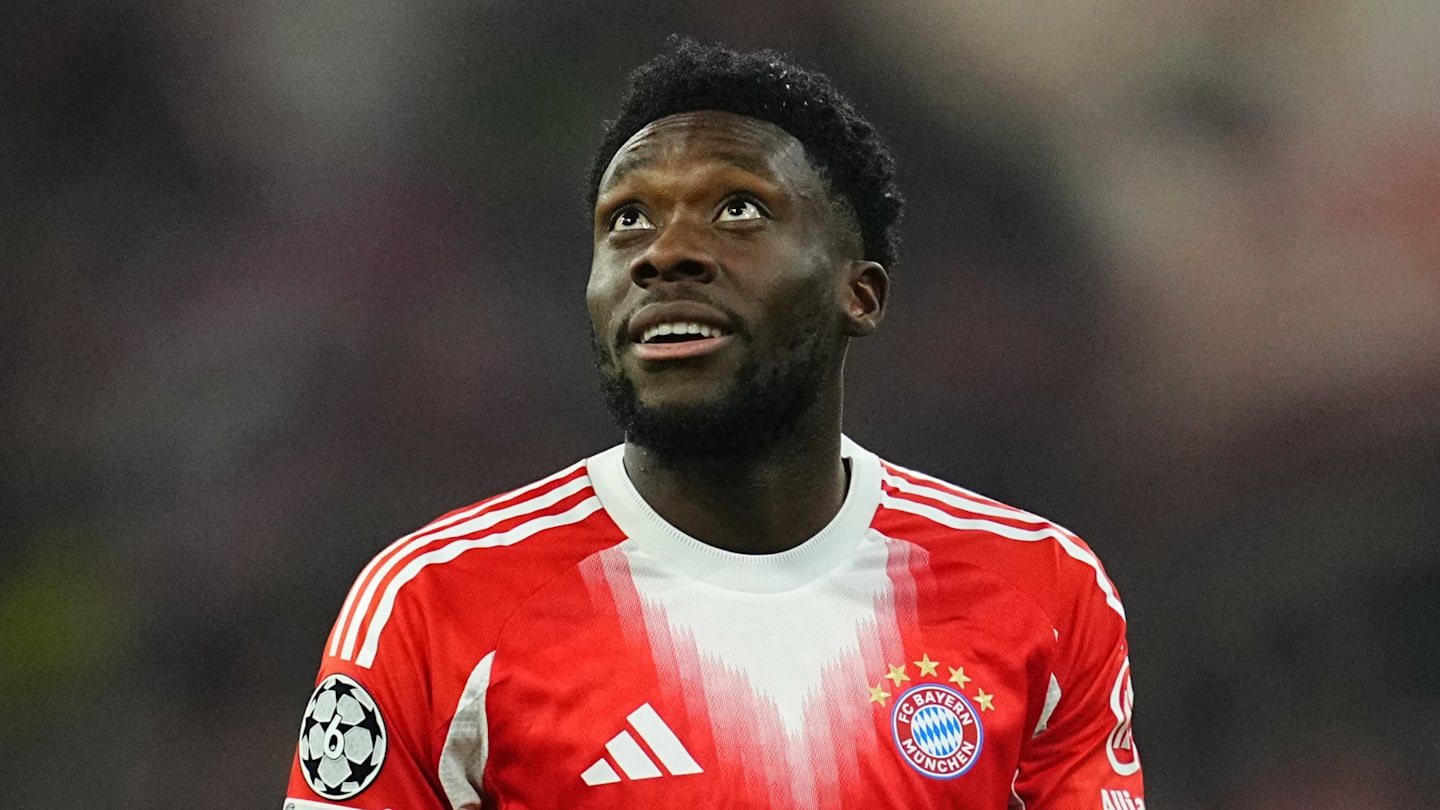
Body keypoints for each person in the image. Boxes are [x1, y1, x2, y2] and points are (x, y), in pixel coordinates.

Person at [284, 38, 1145, 810]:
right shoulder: (437, 603)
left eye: (737, 210)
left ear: (859, 292)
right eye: (627, 220)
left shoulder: (1040, 591)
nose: (664, 254)